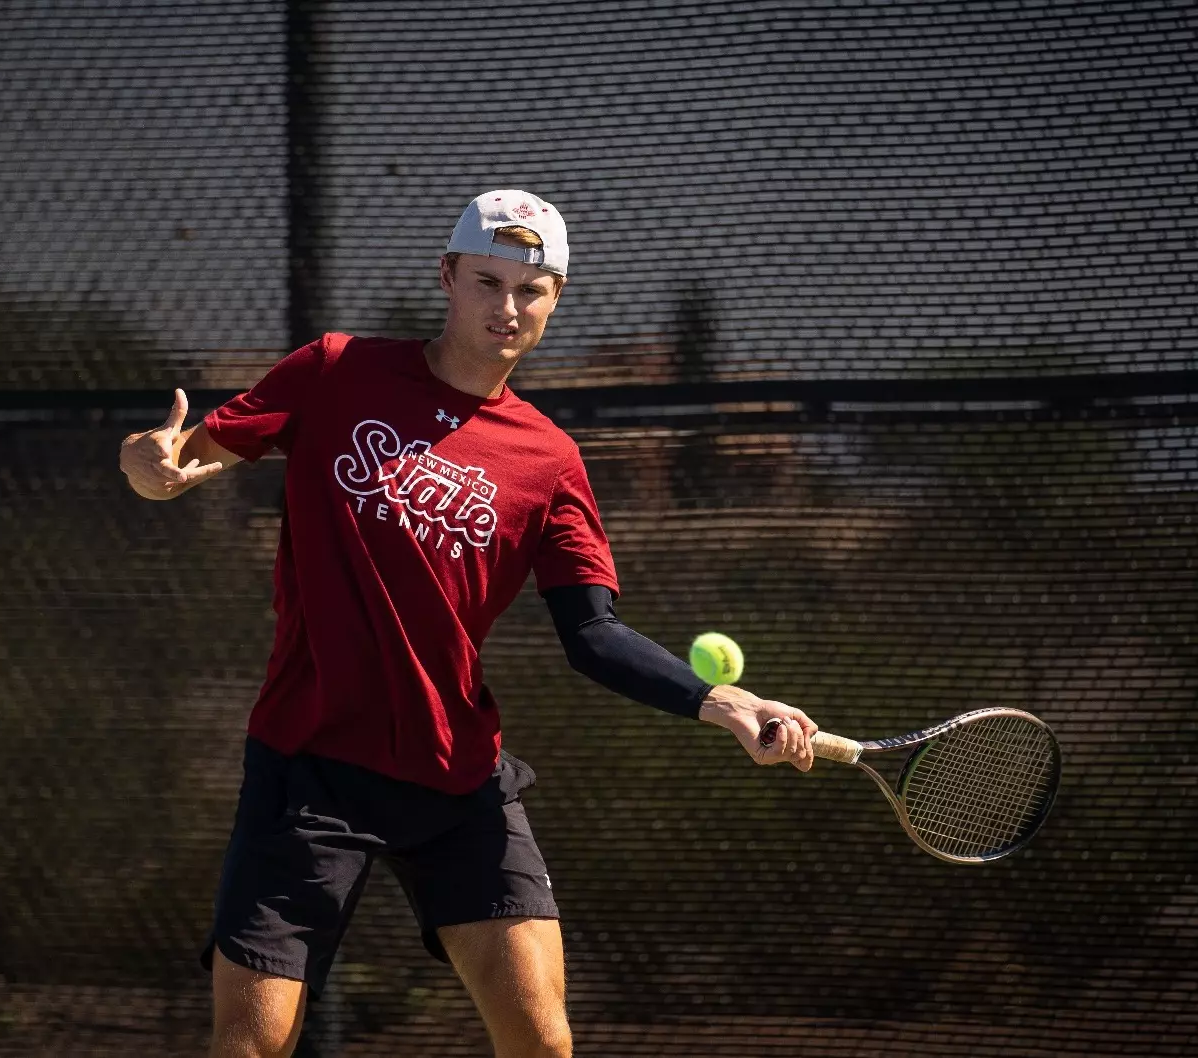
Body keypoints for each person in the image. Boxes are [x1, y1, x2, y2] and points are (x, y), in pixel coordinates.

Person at [118, 190, 819, 1058]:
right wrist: (150, 465)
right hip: (309, 769)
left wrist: (721, 703)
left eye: (532, 289)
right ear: (447, 277)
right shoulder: (337, 370)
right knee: (249, 1047)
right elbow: (186, 459)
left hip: (459, 782)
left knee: (540, 1044)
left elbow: (592, 634)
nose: (507, 307)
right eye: (488, 281)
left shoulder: (551, 461)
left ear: (555, 299)